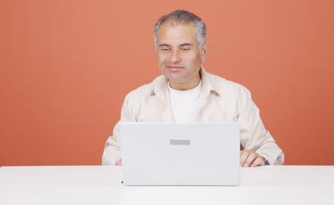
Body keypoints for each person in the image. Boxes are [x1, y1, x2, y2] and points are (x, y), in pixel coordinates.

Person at [102, 10, 284, 167]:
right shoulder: (136, 99)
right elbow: (113, 151)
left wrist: (259, 158)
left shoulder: (235, 95)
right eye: (165, 48)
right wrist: (121, 161)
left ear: (203, 52)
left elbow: (269, 149)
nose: (174, 58)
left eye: (185, 48)